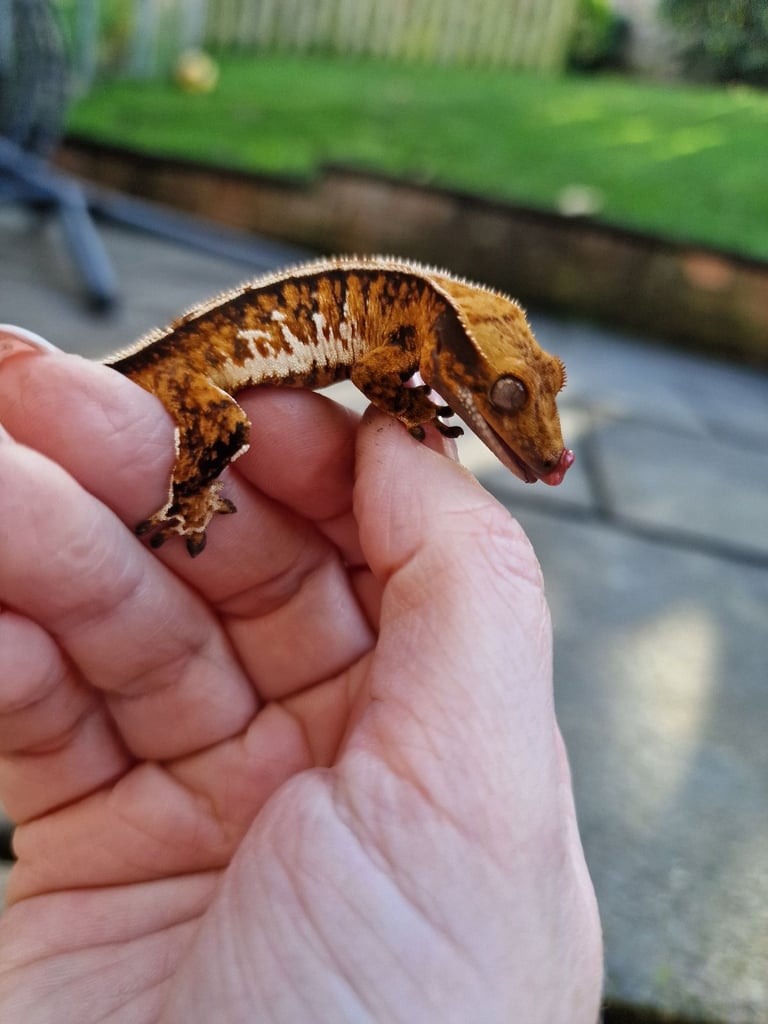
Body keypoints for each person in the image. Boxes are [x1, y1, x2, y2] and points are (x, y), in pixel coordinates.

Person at [0, 326, 602, 1023]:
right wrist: (405, 407)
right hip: (197, 373)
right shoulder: (404, 338)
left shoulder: (421, 335)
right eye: (507, 395)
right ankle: (185, 500)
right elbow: (376, 374)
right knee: (221, 428)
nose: (528, 426)